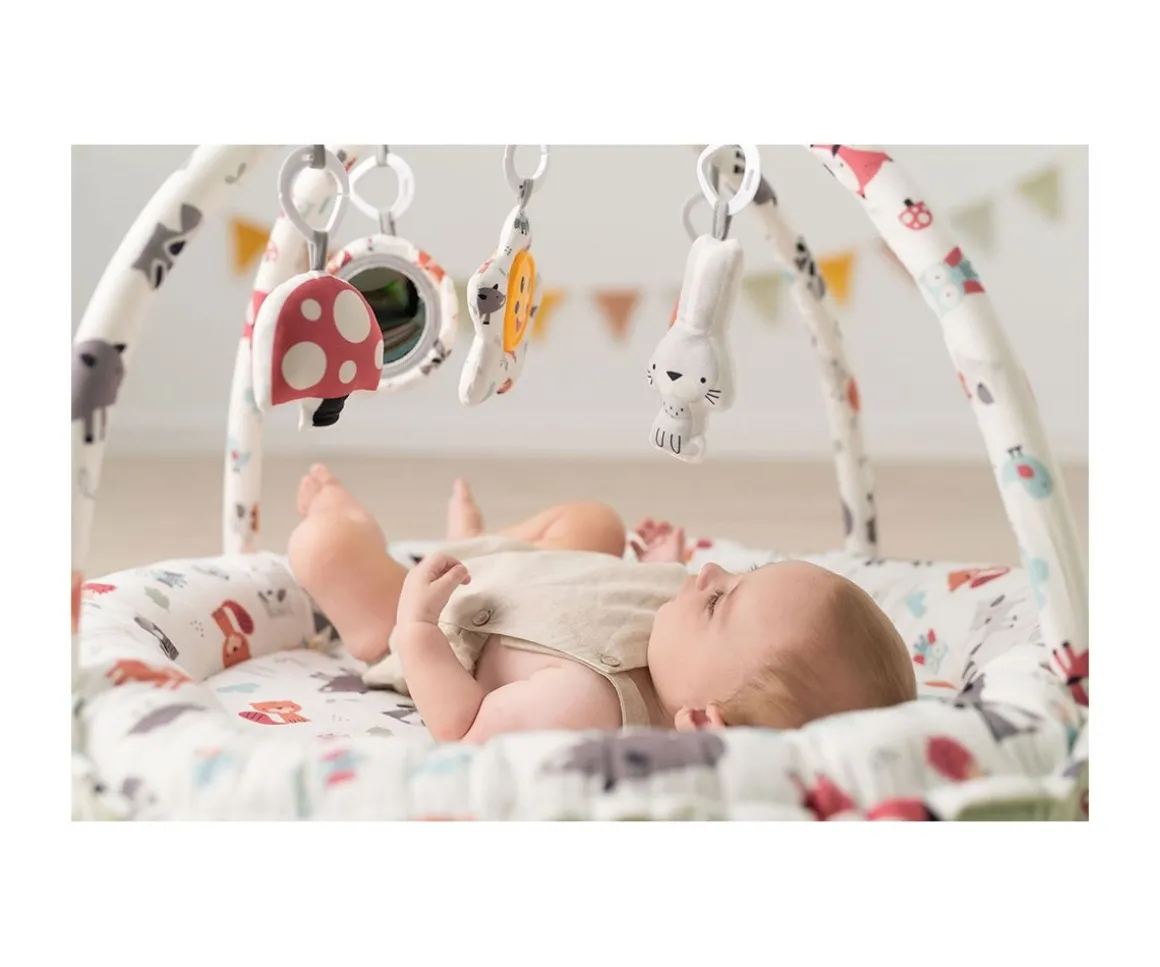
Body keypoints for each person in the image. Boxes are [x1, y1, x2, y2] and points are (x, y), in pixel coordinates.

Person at [288, 464, 916, 744]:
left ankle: (370, 584)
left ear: (702, 720)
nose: (710, 571)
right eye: (743, 574)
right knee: (596, 522)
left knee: (324, 547)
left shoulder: (583, 707)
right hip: (526, 571)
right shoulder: (684, 648)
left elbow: (464, 729)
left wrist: (417, 630)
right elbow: (606, 601)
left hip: (445, 614)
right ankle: (479, 540)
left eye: (717, 603)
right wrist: (648, 570)